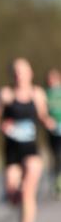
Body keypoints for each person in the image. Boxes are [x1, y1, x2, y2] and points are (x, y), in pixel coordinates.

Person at [0, 58, 55, 222]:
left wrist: (48, 122)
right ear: (11, 75)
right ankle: (12, 194)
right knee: (14, 194)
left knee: (28, 190)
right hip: (12, 151)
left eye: (23, 71)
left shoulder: (37, 93)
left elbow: (43, 114)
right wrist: (1, 126)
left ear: (30, 73)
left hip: (31, 149)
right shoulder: (5, 95)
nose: (19, 75)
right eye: (15, 72)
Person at [44, 68, 61, 197]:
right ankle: (56, 181)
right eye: (49, 78)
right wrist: (46, 119)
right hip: (52, 131)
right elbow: (41, 112)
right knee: (55, 156)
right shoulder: (45, 94)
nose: (51, 81)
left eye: (53, 78)